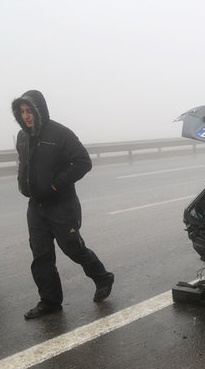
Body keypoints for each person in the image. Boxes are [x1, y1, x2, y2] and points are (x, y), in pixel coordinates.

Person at [12, 90, 114, 319]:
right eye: (22, 112)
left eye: (30, 111)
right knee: (41, 255)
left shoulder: (60, 133)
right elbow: (23, 163)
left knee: (72, 247)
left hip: (62, 205)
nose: (26, 116)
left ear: (40, 110)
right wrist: (23, 184)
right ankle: (49, 301)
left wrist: (57, 185)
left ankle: (102, 277)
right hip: (36, 207)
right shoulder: (22, 136)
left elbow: (83, 162)